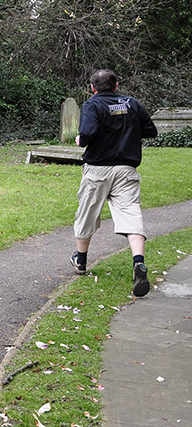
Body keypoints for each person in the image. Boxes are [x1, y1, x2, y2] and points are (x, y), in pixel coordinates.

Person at [71, 69, 158, 297]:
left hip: (97, 170)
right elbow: (151, 131)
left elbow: (87, 133)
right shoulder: (132, 103)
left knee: (87, 214)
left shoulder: (92, 105)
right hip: (126, 170)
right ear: (116, 85)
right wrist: (128, 131)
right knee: (131, 215)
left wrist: (81, 139)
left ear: (93, 87)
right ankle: (138, 262)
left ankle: (81, 261)